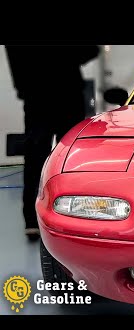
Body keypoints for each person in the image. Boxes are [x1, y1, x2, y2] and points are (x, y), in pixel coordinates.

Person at [5, 45, 100, 241]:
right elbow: (90, 50)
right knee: (70, 156)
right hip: (65, 90)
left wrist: (23, 87)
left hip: (37, 95)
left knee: (36, 155)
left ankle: (32, 220)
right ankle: (74, 213)